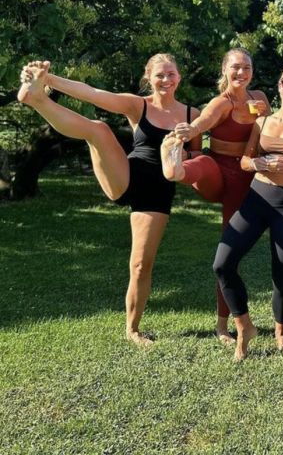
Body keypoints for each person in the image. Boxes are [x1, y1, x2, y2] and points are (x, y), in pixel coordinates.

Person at [17, 56, 199, 345]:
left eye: (171, 74)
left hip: (158, 191)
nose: (166, 80)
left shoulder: (192, 114)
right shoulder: (138, 105)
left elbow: (199, 156)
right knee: (98, 128)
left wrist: (179, 153)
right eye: (160, 75)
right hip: (126, 175)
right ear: (148, 77)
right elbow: (94, 94)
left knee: (141, 265)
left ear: (179, 77)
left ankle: (133, 329)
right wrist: (49, 79)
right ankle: (37, 98)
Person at [212, 66, 283, 361]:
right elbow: (246, 161)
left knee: (282, 271)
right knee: (223, 263)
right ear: (278, 85)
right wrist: (260, 165)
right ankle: (243, 325)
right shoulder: (261, 121)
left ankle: (280, 331)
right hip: (256, 199)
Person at [159, 47, 269, 344]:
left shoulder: (259, 100)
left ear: (252, 71)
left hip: (246, 179)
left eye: (246, 67)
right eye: (235, 67)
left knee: (228, 256)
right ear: (225, 70)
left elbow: (270, 129)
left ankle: (224, 323)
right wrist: (189, 130)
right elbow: (204, 121)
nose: (241, 73)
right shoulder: (222, 102)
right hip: (218, 173)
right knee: (204, 162)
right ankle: (176, 170)